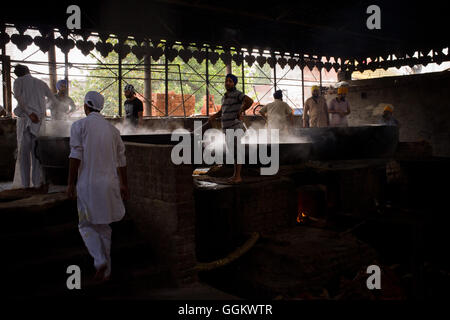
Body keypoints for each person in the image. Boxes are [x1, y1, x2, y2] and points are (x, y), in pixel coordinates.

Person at [67, 91, 128, 282]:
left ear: (86, 106)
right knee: (104, 227)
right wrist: (124, 184)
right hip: (110, 185)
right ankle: (107, 272)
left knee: (85, 224)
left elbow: (75, 156)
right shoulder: (113, 131)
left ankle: (100, 260)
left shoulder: (79, 126)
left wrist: (70, 183)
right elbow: (121, 160)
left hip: (89, 185)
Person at [13, 64, 56, 188]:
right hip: (39, 122)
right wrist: (42, 111)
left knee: (24, 155)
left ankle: (25, 186)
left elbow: (18, 97)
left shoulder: (18, 81)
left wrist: (30, 113)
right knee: (36, 154)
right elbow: (52, 99)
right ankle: (36, 185)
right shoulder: (41, 83)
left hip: (26, 121)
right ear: (28, 70)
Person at [208, 74, 253, 184]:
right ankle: (234, 176)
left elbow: (250, 101)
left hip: (235, 127)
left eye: (230, 81)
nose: (228, 83)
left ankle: (238, 177)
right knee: (233, 152)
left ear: (234, 83)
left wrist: (241, 110)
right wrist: (214, 116)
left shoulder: (237, 94)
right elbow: (222, 112)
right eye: (226, 81)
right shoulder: (224, 97)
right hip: (227, 128)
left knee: (237, 152)